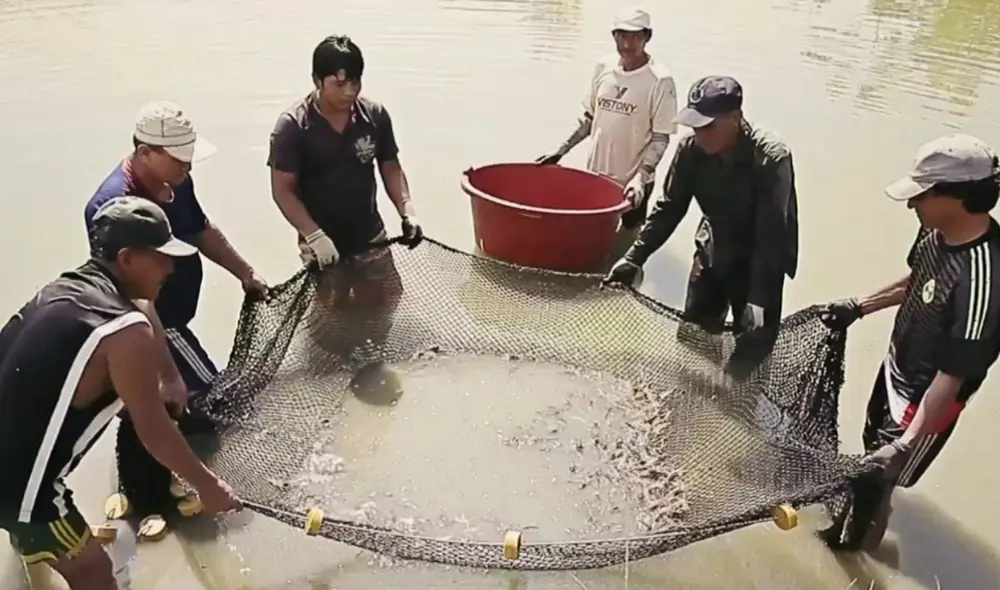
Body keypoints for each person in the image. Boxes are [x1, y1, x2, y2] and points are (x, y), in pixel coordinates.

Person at [0, 196, 242, 590]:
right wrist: (209, 486)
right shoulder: (125, 332)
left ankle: (32, 555)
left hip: (9, 457)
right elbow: (153, 428)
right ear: (127, 259)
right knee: (94, 572)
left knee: (37, 537)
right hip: (19, 487)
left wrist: (167, 373)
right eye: (161, 257)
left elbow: (145, 308)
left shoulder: (69, 288)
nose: (171, 266)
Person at [818, 133, 1000, 552]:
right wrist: (859, 306)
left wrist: (903, 445)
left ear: (957, 197)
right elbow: (918, 279)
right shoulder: (933, 230)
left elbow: (954, 375)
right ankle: (852, 527)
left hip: (926, 402)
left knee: (879, 485)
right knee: (867, 460)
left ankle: (859, 562)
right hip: (895, 371)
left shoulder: (984, 277)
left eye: (921, 195)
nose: (911, 203)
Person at [84, 100, 265, 519]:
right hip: (146, 322)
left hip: (176, 315)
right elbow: (130, 295)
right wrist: (168, 372)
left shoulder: (177, 181)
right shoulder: (111, 207)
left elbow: (199, 229)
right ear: (147, 153)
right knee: (200, 400)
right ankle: (148, 493)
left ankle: (157, 475)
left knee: (179, 400)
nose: (188, 169)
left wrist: (245, 272)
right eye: (180, 160)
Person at [603, 75, 799, 376]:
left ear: (735, 118)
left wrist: (757, 300)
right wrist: (633, 257)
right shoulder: (690, 150)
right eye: (695, 125)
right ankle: (688, 408)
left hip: (761, 264)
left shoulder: (771, 158)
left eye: (708, 126)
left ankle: (733, 409)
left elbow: (770, 235)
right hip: (714, 251)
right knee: (693, 344)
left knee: (748, 358)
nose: (700, 134)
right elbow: (669, 209)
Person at [268, 34, 423, 311]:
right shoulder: (293, 127)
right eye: (339, 84)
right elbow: (283, 191)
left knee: (387, 303)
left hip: (369, 234)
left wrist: (407, 210)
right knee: (330, 315)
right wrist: (314, 236)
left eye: (355, 81)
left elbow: (390, 166)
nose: (349, 91)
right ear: (317, 80)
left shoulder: (374, 116)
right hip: (322, 241)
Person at [536, 7, 678, 232]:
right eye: (621, 35)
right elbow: (589, 118)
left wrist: (640, 179)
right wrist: (561, 150)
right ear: (613, 36)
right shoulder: (604, 67)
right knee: (588, 234)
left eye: (635, 36)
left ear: (647, 37)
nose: (627, 44)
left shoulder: (661, 80)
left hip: (632, 183)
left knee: (629, 239)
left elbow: (660, 138)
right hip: (595, 177)